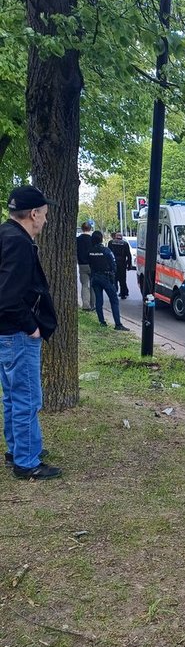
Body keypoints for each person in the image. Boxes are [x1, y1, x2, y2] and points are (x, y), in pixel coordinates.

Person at [0, 185, 61, 480]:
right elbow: (8, 297)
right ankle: (26, 461)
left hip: (7, 333)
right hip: (17, 334)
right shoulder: (19, 242)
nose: (46, 221)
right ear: (33, 213)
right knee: (26, 397)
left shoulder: (5, 234)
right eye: (45, 215)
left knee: (13, 396)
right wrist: (32, 327)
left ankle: (18, 449)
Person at [89, 231, 129, 331]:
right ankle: (118, 324)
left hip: (95, 277)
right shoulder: (106, 250)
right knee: (114, 300)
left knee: (99, 300)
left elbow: (90, 264)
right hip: (106, 277)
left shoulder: (90, 251)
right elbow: (113, 264)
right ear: (101, 239)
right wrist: (113, 275)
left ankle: (102, 322)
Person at [76, 221, 95, 311]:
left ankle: (85, 305)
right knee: (93, 285)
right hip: (92, 264)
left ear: (82, 228)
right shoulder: (93, 239)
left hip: (82, 264)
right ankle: (93, 304)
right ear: (90, 229)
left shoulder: (78, 239)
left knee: (84, 285)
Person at [108, 232, 133, 299]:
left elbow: (108, 253)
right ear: (121, 237)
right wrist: (129, 264)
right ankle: (123, 294)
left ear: (115, 237)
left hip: (113, 262)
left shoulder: (111, 242)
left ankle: (114, 292)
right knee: (123, 279)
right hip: (122, 263)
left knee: (114, 278)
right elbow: (129, 255)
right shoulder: (125, 243)